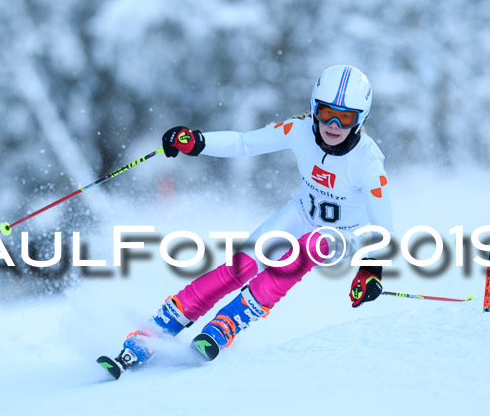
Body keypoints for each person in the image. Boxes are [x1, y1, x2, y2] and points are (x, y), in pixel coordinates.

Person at [114, 65, 394, 369]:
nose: (334, 124)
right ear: (314, 108)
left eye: (347, 117)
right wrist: (198, 142)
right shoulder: (299, 130)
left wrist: (371, 270)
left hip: (346, 236)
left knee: (313, 243)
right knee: (244, 262)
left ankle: (229, 323)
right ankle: (162, 324)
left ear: (361, 119)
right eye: (327, 113)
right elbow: (244, 143)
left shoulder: (368, 163)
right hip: (302, 213)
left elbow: (383, 230)